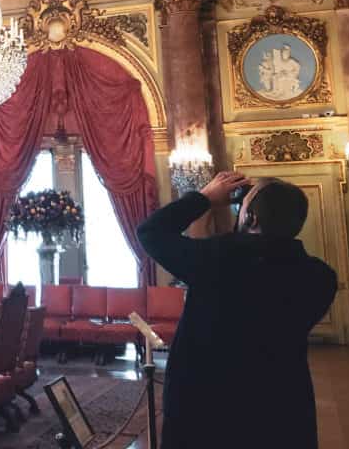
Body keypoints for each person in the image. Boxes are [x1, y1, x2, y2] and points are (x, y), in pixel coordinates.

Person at [137, 171, 338, 449]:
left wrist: (203, 198)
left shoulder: (214, 259)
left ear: (250, 218)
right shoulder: (321, 278)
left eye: (242, 208)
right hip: (280, 409)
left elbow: (150, 232)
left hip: (206, 411)